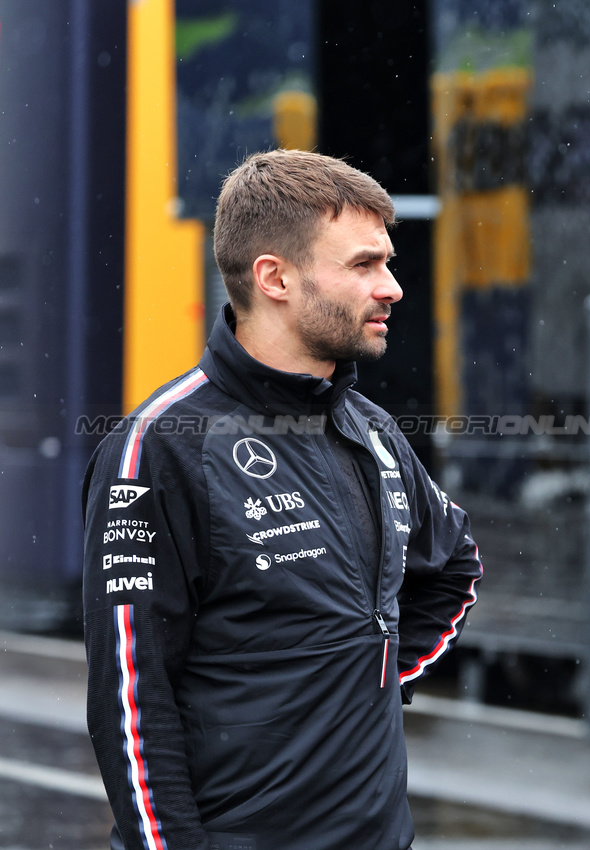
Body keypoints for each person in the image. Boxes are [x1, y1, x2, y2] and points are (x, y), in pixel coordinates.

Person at [82, 149, 483, 850]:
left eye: (386, 263)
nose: (390, 287)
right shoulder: (162, 446)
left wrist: (373, 673)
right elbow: (130, 698)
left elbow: (453, 564)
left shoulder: (375, 430)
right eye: (363, 265)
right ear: (275, 277)